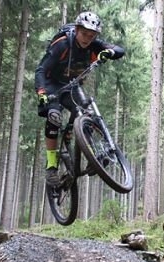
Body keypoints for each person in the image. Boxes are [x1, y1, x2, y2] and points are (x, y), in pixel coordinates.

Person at [35, 11, 125, 187]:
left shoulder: (94, 44)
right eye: (84, 34)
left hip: (72, 85)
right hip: (52, 85)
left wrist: (109, 53)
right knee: (54, 117)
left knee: (86, 114)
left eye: (91, 36)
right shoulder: (62, 44)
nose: (87, 39)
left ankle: (92, 156)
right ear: (76, 30)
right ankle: (52, 166)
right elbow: (40, 70)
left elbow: (120, 50)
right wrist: (41, 93)